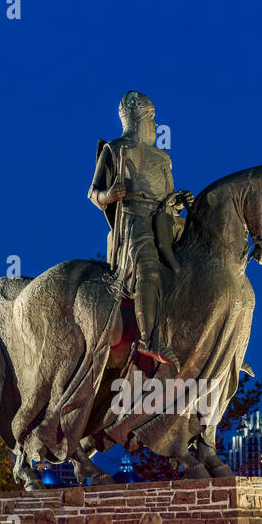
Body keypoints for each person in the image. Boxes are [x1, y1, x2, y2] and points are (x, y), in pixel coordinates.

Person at [88, 91, 192, 368]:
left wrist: (177, 202)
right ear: (137, 120)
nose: (156, 125)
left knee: (198, 257)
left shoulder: (163, 157)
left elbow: (170, 202)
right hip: (133, 218)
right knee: (148, 267)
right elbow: (93, 193)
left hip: (163, 220)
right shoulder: (115, 149)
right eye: (152, 118)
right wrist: (110, 194)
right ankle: (150, 339)